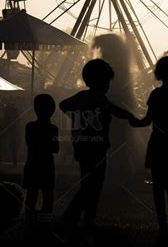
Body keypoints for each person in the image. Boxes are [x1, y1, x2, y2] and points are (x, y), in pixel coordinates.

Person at [59, 59, 136, 230]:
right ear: (101, 80)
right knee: (93, 186)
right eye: (107, 80)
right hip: (96, 148)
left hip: (84, 147)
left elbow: (63, 105)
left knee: (88, 185)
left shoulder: (84, 97)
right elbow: (115, 110)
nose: (109, 84)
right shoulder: (100, 99)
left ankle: (79, 218)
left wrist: (78, 118)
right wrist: (132, 118)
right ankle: (76, 218)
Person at [130, 56, 168, 234]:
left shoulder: (155, 94)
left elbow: (147, 120)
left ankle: (161, 221)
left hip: (157, 142)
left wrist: (133, 121)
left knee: (158, 184)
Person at [24, 94, 59, 221]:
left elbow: (29, 143)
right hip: (47, 165)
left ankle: (29, 219)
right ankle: (45, 220)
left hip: (32, 163)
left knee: (31, 195)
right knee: (48, 195)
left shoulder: (30, 126)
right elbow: (56, 149)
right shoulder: (53, 128)